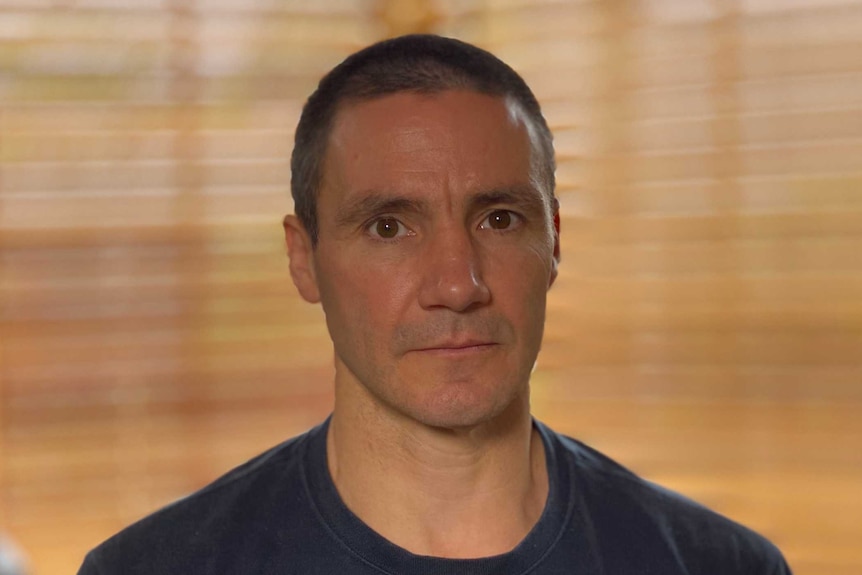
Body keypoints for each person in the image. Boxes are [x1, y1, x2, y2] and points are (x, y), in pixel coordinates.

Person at [78, 34, 792, 574]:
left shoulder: (717, 564)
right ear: (305, 259)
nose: (457, 284)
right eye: (389, 226)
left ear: (554, 241)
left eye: (500, 219)